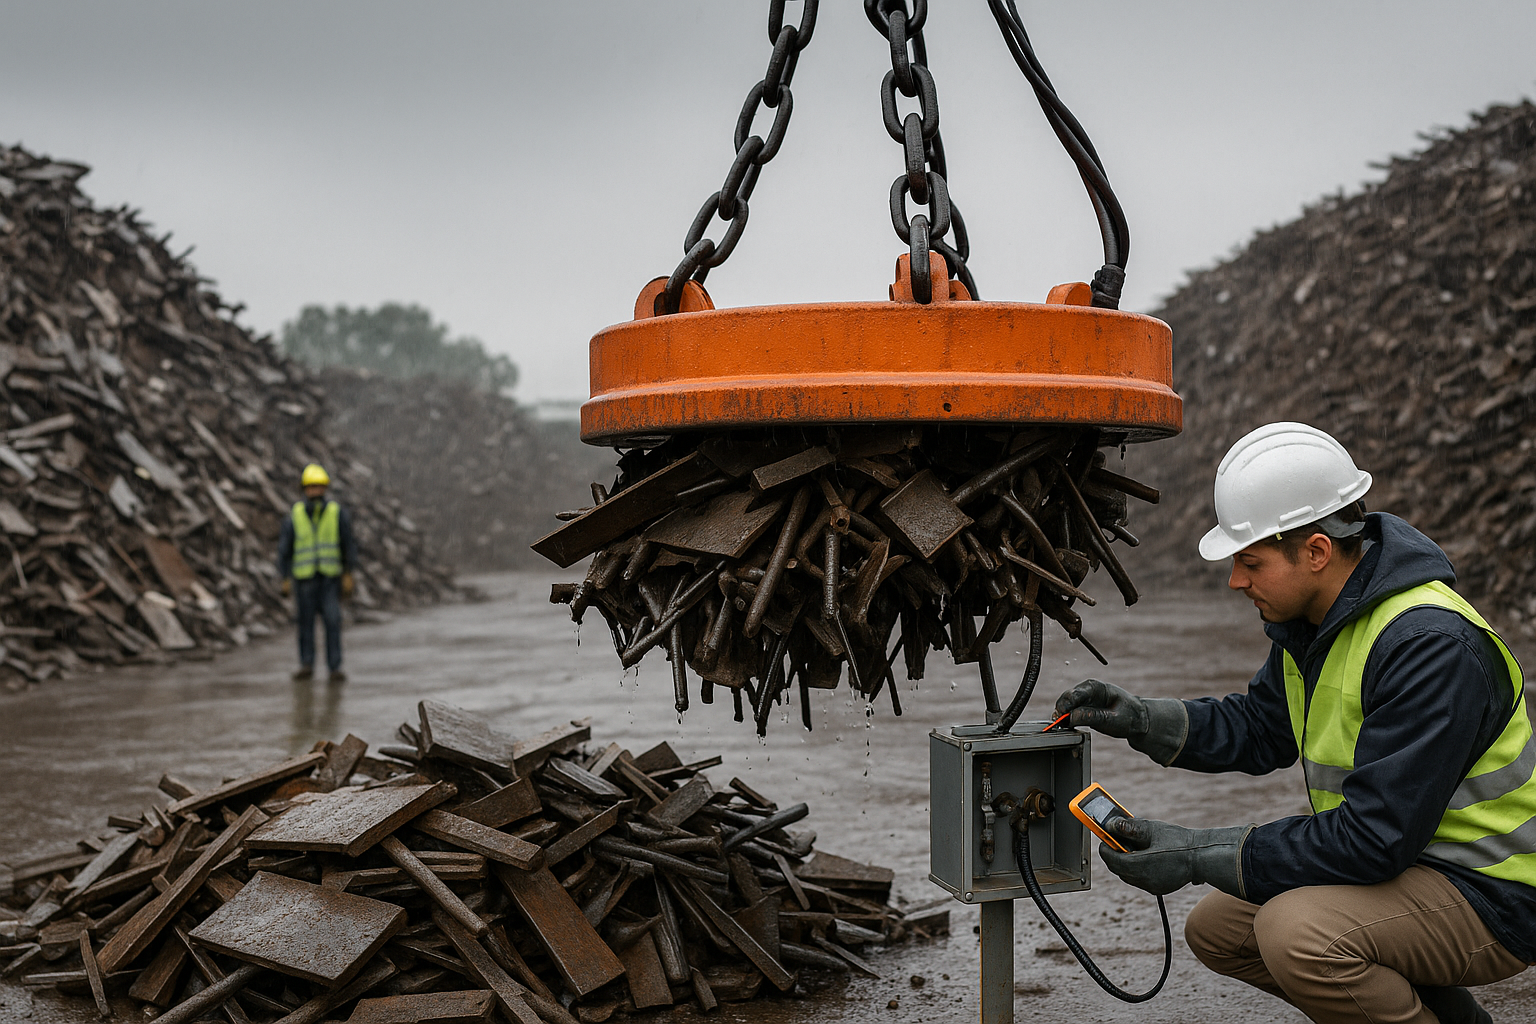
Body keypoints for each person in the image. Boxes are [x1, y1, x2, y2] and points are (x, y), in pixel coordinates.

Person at [1055, 422, 1534, 1024]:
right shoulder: (1317, 622)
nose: (1236, 581)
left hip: (1489, 892)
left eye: (1250, 562)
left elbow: (1372, 839)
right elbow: (1262, 727)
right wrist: (1143, 719)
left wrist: (1197, 850)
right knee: (1221, 928)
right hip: (1411, 865)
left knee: (1295, 933)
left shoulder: (1429, 646)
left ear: (1315, 551)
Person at [277, 462, 357, 683]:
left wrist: (348, 573)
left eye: (319, 487)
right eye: (311, 487)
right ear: (304, 489)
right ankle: (306, 664)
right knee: (305, 624)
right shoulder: (295, 515)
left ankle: (334, 667)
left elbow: (347, 544)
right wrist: (284, 576)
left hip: (329, 579)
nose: (315, 491)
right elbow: (285, 548)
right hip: (304, 580)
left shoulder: (336, 513)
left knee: (332, 621)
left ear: (325, 489)